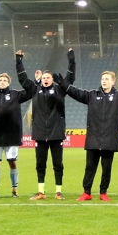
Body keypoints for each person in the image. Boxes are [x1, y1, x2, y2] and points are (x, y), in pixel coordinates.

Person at [59, 69, 118, 201]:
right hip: (93, 138)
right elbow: (76, 93)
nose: (104, 81)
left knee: (106, 169)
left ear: (113, 82)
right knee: (90, 168)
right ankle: (87, 192)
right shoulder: (92, 95)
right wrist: (63, 84)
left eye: (107, 79)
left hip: (109, 139)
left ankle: (103, 193)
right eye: (103, 79)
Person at [0, 52, 37, 198]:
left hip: (11, 135)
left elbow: (31, 91)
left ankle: (15, 190)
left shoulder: (15, 95)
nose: (2, 82)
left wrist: (36, 81)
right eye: (0, 80)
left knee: (12, 162)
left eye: (4, 80)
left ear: (9, 82)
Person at [27, 49, 75, 200]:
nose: (45, 79)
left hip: (56, 133)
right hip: (40, 133)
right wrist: (19, 63)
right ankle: (41, 192)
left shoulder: (60, 90)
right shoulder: (35, 91)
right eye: (43, 77)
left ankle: (58, 191)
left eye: (48, 77)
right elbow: (23, 82)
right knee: (40, 164)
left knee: (57, 164)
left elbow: (70, 78)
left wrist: (71, 60)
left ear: (52, 79)